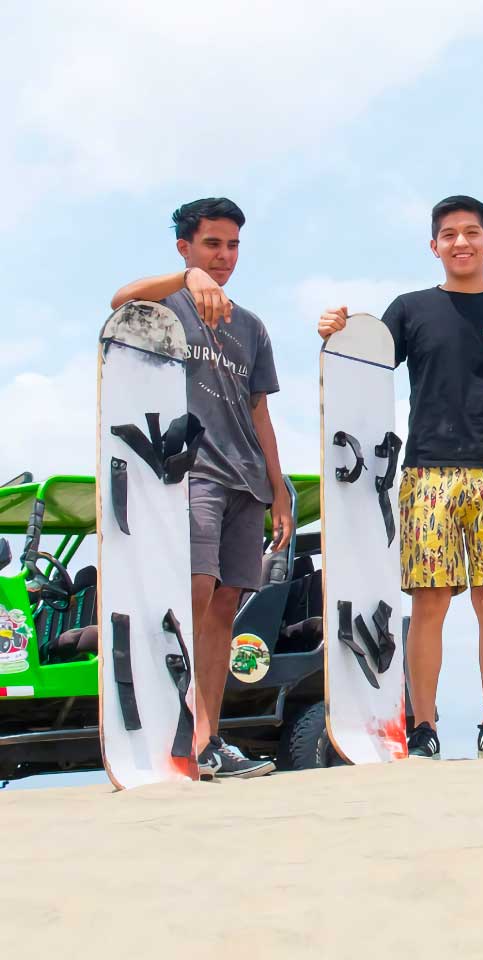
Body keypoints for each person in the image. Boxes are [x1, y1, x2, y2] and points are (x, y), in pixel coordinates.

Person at [318, 195, 483, 760]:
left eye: (472, 232)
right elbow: (362, 366)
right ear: (434, 246)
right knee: (430, 602)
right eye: (449, 234)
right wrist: (335, 333)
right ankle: (422, 726)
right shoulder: (410, 308)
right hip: (426, 472)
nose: (461, 243)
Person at [110, 197, 291, 779]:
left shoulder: (252, 325)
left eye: (233, 245)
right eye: (212, 244)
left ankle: (209, 737)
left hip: (248, 478)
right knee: (192, 592)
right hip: (192, 471)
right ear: (185, 246)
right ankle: (177, 727)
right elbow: (119, 302)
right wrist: (186, 279)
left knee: (224, 610)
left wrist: (279, 486)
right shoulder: (165, 308)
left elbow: (259, 410)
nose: (224, 257)